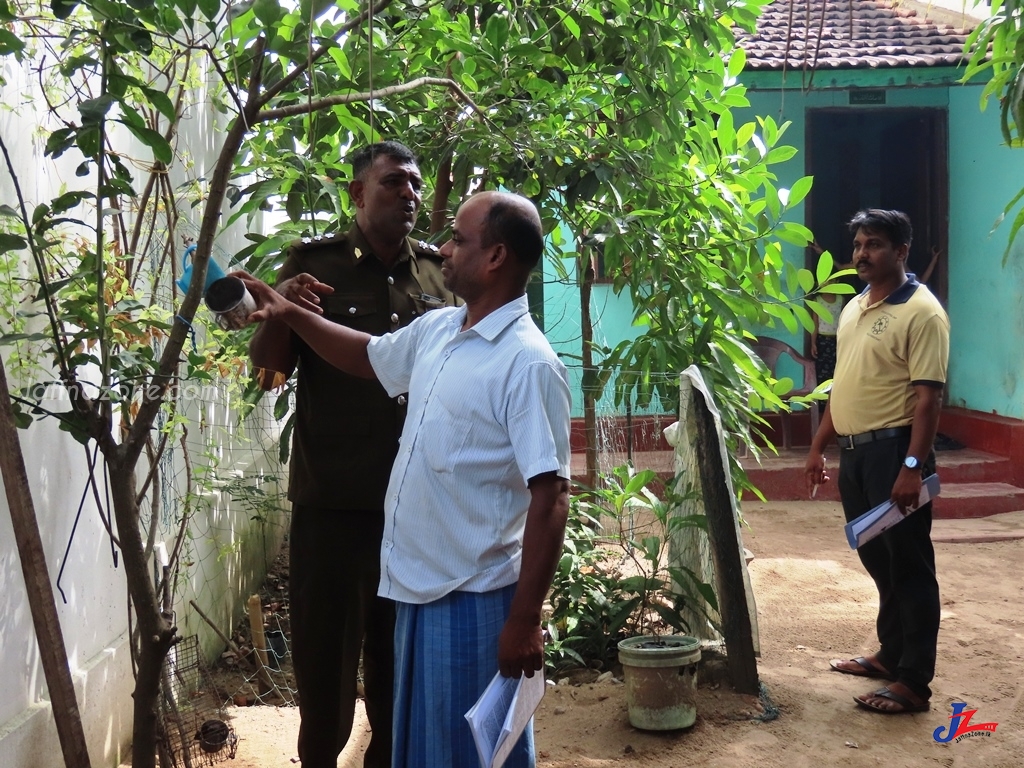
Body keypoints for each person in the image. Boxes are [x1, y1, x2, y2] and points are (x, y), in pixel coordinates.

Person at [241, 190, 571, 766]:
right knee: (425, 750)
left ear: (495, 258)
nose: (443, 250)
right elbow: (367, 356)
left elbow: (552, 497)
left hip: (472, 597)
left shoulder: (528, 362)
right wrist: (289, 311)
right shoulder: (442, 329)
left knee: (471, 754)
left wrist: (523, 621)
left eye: (459, 240)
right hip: (419, 591)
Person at [248, 140, 456, 768]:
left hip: (415, 510)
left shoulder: (435, 272)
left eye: (415, 185)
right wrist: (281, 309)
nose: (410, 195)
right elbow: (269, 368)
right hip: (335, 507)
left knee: (401, 680)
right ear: (357, 194)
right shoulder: (315, 267)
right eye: (394, 183)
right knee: (326, 684)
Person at [804, 209, 949, 715]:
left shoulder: (923, 312)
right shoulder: (855, 307)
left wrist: (912, 466)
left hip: (895, 452)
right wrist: (820, 443)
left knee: (910, 565)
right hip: (855, 453)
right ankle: (891, 654)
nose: (862, 253)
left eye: (876, 244)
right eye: (859, 244)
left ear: (902, 252)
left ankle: (914, 682)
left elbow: (928, 399)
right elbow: (844, 382)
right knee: (878, 560)